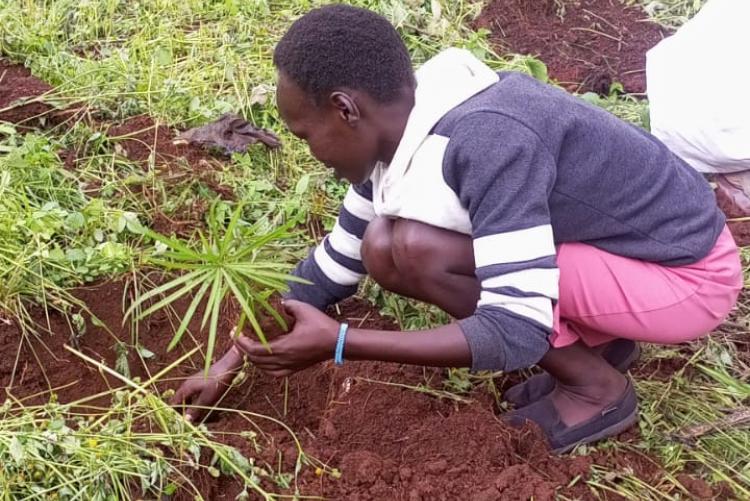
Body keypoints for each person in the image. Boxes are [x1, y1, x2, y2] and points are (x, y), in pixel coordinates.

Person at [172, 4, 742, 453]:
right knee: (382, 245)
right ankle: (602, 342)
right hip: (618, 251)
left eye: (305, 134)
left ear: (347, 109)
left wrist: (340, 344)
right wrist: (229, 363)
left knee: (410, 250)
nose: (310, 153)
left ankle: (597, 389)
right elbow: (333, 266)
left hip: (685, 278)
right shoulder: (403, 130)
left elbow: (514, 330)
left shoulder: (487, 140)